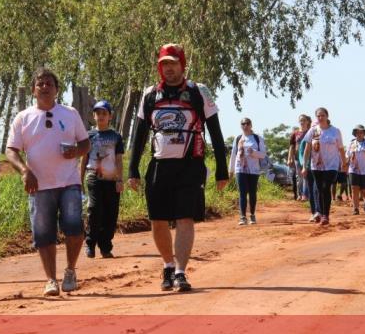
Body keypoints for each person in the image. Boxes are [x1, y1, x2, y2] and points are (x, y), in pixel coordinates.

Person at [128, 44, 228, 292]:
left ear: (183, 65)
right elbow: (139, 135)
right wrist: (132, 170)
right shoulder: (150, 95)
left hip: (190, 166)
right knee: (158, 220)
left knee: (185, 218)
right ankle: (168, 265)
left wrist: (222, 171)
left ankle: (181, 272)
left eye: (173, 63)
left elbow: (215, 131)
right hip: (159, 166)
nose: (169, 68)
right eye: (164, 64)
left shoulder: (198, 92)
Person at [6, 68, 90, 296]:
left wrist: (76, 151)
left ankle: (70, 270)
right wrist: (24, 171)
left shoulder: (70, 113)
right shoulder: (23, 117)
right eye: (40, 83)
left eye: (49, 83)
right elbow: (10, 150)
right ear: (33, 90)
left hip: (69, 182)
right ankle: (51, 280)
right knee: (44, 234)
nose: (44, 87)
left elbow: (85, 143)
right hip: (39, 186)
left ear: (56, 89)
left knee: (74, 228)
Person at [81, 100, 124, 258]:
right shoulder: (88, 136)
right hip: (93, 177)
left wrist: (120, 180)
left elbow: (118, 160)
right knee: (94, 209)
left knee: (110, 214)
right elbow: (84, 160)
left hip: (111, 180)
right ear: (94, 116)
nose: (101, 116)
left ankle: (105, 246)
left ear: (110, 116)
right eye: (98, 113)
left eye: (104, 113)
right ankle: (90, 244)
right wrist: (80, 181)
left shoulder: (116, 137)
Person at [301, 108, 346, 225]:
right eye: (318, 116)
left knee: (326, 188)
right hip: (316, 166)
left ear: (327, 116)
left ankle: (326, 215)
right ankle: (320, 213)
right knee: (320, 189)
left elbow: (341, 148)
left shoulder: (335, 131)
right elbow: (307, 149)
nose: (320, 118)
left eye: (322, 116)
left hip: (332, 165)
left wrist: (344, 163)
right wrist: (304, 166)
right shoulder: (313, 130)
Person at [229, 118, 267, 225]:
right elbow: (233, 155)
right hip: (240, 168)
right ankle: (242, 217)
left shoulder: (257, 138)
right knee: (242, 192)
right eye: (243, 124)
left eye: (247, 123)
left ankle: (252, 215)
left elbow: (263, 154)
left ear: (251, 125)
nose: (245, 125)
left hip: (253, 169)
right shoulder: (238, 138)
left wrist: (253, 152)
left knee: (252, 192)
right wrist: (230, 170)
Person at [288, 115, 311, 201]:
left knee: (306, 176)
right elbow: (291, 147)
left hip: (308, 158)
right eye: (301, 120)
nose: (302, 122)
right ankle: (300, 194)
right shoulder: (295, 133)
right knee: (299, 177)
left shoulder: (310, 132)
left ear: (307, 122)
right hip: (297, 158)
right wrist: (289, 158)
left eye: (304, 120)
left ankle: (305, 195)